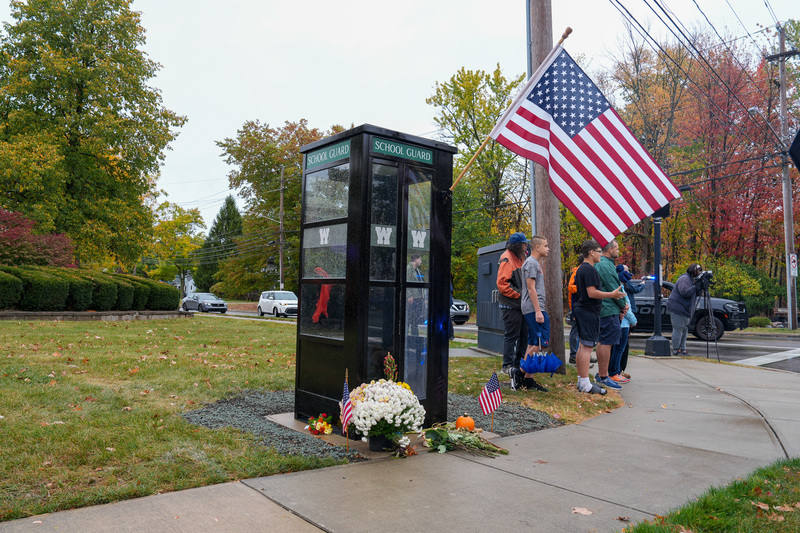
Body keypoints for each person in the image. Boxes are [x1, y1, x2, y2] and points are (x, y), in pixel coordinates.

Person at [572, 239, 625, 395]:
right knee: (587, 347)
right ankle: (585, 384)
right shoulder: (589, 270)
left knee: (583, 346)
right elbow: (592, 293)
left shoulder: (583, 268)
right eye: (599, 252)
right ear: (591, 253)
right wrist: (613, 294)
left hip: (583, 310)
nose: (601, 254)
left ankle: (582, 381)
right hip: (588, 311)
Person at [593, 239, 628, 391]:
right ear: (610, 250)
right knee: (606, 343)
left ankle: (602, 375)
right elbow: (615, 288)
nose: (618, 251)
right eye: (617, 248)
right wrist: (624, 306)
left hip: (604, 309)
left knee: (603, 342)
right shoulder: (605, 265)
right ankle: (603, 376)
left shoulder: (602, 264)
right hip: (608, 310)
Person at [496, 232, 529, 390]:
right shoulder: (508, 258)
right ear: (517, 245)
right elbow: (502, 285)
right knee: (512, 335)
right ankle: (507, 365)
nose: (526, 246)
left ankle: (518, 364)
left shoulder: (520, 257)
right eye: (524, 244)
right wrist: (520, 295)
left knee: (524, 334)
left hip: (519, 305)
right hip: (510, 305)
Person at [519, 235, 549, 393]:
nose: (548, 249)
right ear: (537, 248)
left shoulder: (534, 263)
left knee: (532, 343)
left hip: (535, 308)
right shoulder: (531, 263)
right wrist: (538, 311)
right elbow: (531, 288)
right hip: (533, 308)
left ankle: (528, 380)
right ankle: (518, 374)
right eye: (546, 246)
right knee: (540, 343)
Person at [666, 263, 702, 356]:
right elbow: (684, 292)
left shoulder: (692, 280)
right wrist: (695, 287)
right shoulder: (685, 279)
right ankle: (676, 350)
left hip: (685, 310)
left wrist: (699, 288)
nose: (699, 273)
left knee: (684, 330)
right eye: (698, 271)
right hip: (678, 308)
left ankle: (682, 349)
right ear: (693, 271)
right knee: (678, 329)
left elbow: (694, 293)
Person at [609, 289, 636, 383]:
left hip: (622, 323)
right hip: (623, 324)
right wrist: (634, 321)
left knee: (618, 350)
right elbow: (625, 307)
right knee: (619, 350)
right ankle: (615, 372)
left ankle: (617, 371)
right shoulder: (619, 289)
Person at [406, 254, 425, 335]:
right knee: (409, 319)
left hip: (418, 298)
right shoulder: (408, 269)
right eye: (420, 259)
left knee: (415, 321)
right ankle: (406, 337)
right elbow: (407, 283)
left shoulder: (418, 270)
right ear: (416, 260)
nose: (420, 261)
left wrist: (424, 297)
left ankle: (415, 338)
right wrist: (409, 296)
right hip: (412, 298)